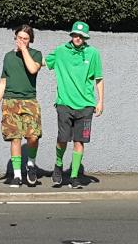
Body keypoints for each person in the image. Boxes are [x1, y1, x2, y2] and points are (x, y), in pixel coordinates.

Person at [45, 21, 104, 189]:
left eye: (81, 36)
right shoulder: (60, 51)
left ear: (85, 37)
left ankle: (74, 176)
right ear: (71, 35)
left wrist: (100, 101)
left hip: (86, 105)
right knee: (62, 139)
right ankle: (58, 166)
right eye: (75, 35)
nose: (78, 38)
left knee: (79, 141)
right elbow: (41, 63)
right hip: (64, 103)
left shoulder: (93, 53)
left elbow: (98, 78)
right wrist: (24, 52)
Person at [0, 25, 43, 187]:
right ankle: (18, 175)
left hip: (29, 101)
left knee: (33, 137)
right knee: (15, 139)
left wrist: (24, 50)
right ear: (15, 37)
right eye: (19, 38)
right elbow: (3, 82)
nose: (21, 41)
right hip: (10, 101)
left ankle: (31, 164)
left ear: (30, 40)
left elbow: (33, 69)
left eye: (25, 39)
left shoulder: (36, 54)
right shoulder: (8, 57)